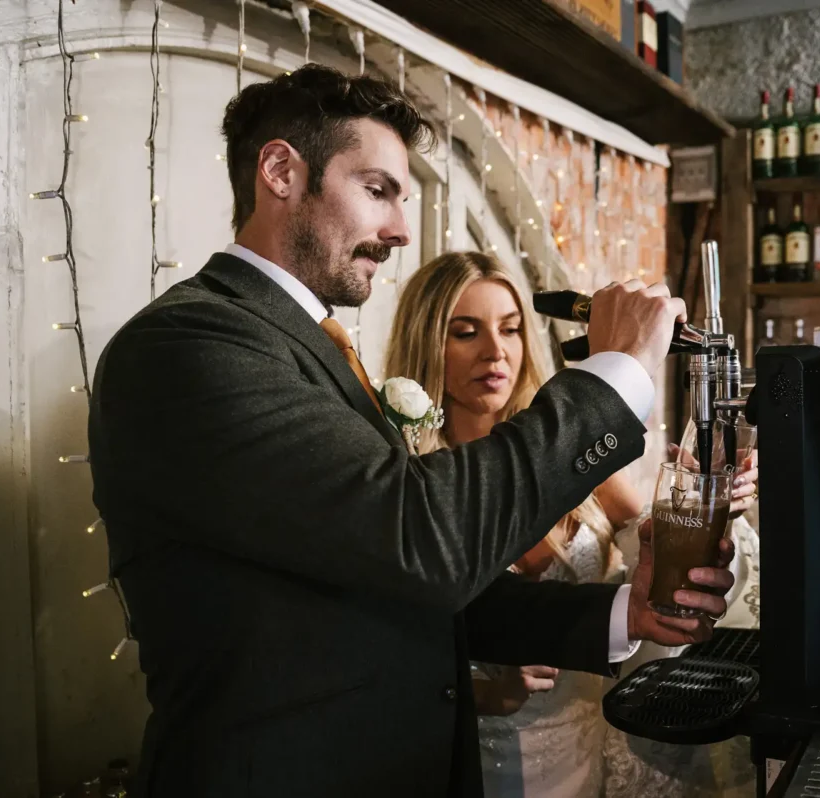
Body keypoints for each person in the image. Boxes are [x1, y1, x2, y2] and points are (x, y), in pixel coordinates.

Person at [87, 64, 738, 797]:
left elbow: (388, 583)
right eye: (377, 191)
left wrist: (623, 611)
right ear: (280, 171)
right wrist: (612, 375)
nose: (399, 230)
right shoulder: (190, 346)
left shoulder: (300, 342)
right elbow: (423, 540)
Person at [383, 251, 758, 797]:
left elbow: (663, 552)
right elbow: (382, 654)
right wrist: (485, 695)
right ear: (426, 342)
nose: (496, 351)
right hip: (483, 764)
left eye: (511, 329)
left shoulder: (577, 460)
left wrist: (706, 502)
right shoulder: (413, 483)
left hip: (586, 758)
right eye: (465, 332)